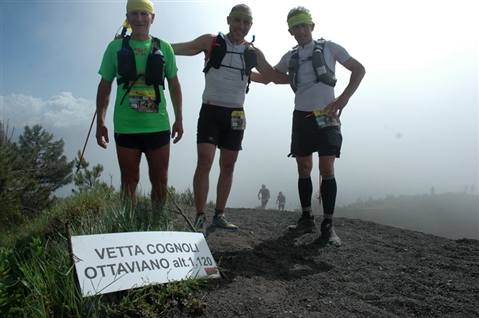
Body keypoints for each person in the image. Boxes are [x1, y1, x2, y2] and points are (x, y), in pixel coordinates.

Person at [259, 6, 365, 246]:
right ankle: (307, 218)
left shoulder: (330, 47)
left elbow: (359, 69)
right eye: (295, 27)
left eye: (303, 25)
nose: (300, 31)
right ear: (290, 31)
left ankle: (328, 225)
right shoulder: (290, 56)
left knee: (327, 168)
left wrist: (344, 98)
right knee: (303, 167)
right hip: (302, 116)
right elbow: (273, 76)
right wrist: (255, 59)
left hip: (327, 115)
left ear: (312, 26)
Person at [171, 4, 281, 235]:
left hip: (236, 114)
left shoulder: (253, 52)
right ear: (229, 20)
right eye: (238, 20)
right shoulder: (211, 41)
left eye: (246, 22)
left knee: (228, 166)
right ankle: (200, 216)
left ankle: (219, 214)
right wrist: (148, 43)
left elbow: (270, 76)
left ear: (251, 25)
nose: (241, 26)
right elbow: (179, 48)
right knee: (204, 162)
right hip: (211, 111)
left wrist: (304, 77)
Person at [95, 0, 183, 211]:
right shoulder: (114, 48)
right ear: (128, 18)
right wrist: (101, 122)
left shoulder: (164, 48)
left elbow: (174, 85)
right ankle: (129, 227)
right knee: (129, 180)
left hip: (158, 126)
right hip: (127, 126)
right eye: (134, 13)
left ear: (153, 18)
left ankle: (157, 222)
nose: (139, 18)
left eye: (144, 13)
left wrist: (179, 118)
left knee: (160, 180)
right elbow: (105, 87)